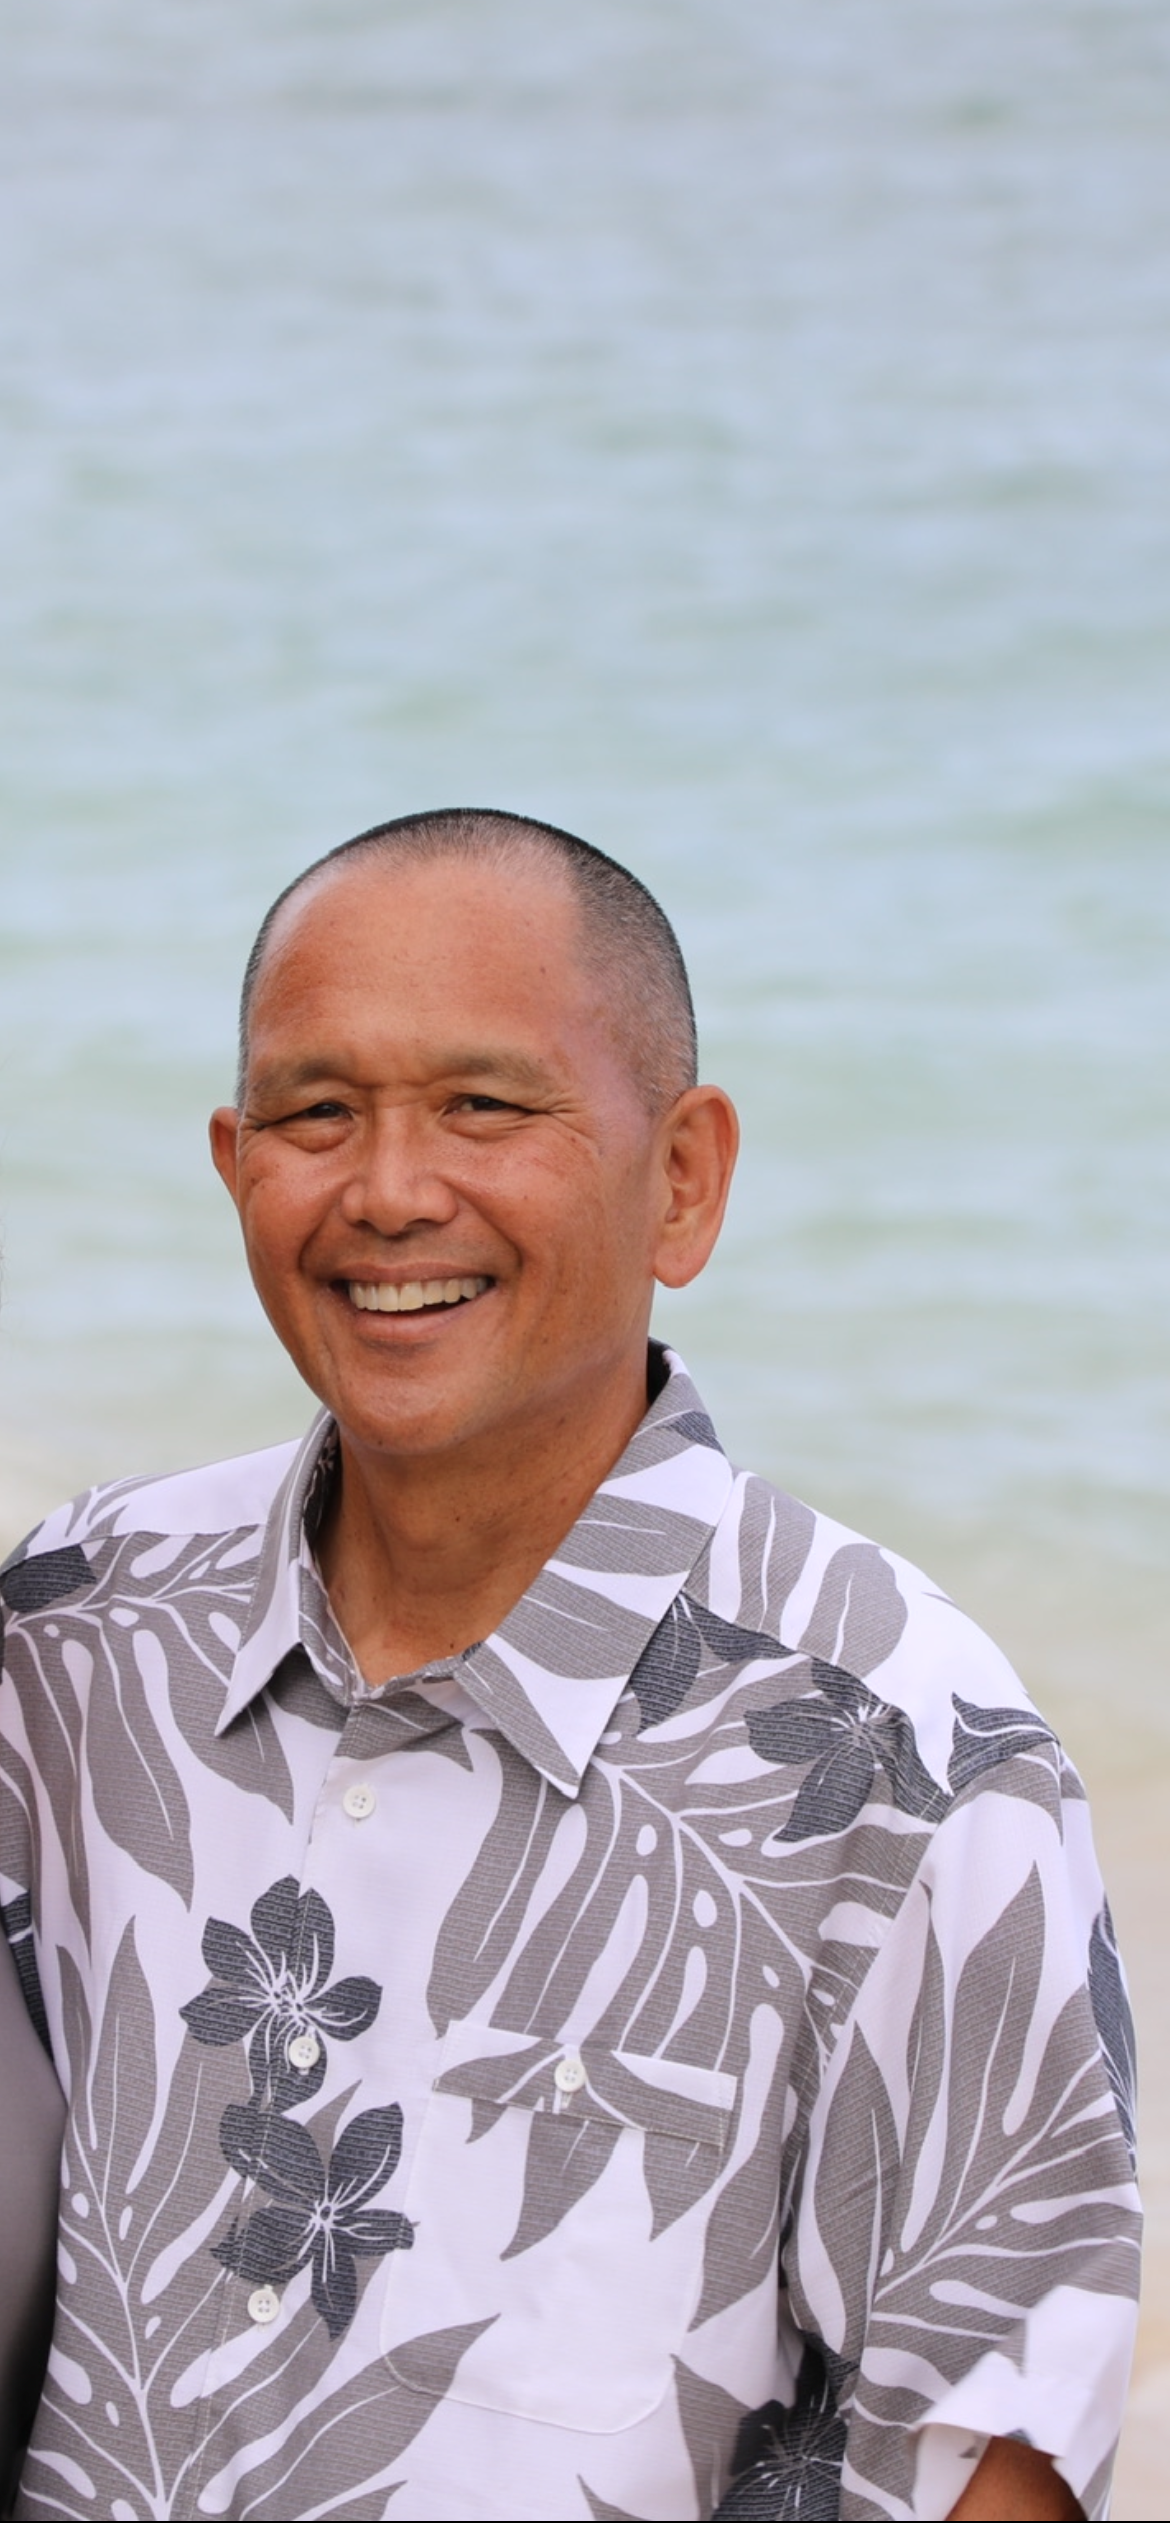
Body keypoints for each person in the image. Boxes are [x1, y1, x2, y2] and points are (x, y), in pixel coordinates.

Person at [0, 808, 1139, 2523]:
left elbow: (993, 2455)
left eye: (484, 1105)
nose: (390, 1191)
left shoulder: (902, 1757)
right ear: (235, 1166)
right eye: (316, 1114)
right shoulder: (75, 1630)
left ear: (682, 1177)